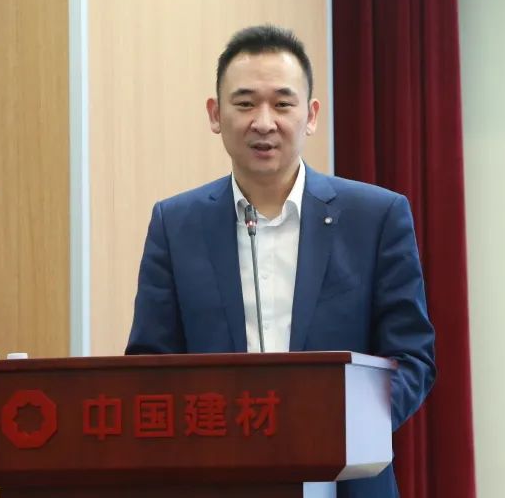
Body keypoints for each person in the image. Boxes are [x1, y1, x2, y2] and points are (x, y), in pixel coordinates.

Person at [126, 24, 436, 498]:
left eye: (282, 104)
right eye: (245, 103)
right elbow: (150, 364)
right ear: (215, 114)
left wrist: (340, 429)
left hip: (345, 483)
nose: (264, 122)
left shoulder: (376, 217)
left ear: (310, 115)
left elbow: (411, 358)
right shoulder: (175, 223)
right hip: (213, 480)